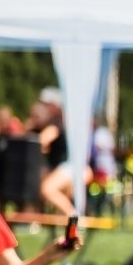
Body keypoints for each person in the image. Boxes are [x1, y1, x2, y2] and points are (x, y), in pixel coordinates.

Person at [30, 88, 76, 218]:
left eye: (46, 104)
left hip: (68, 166)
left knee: (46, 189)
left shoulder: (58, 122)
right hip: (63, 165)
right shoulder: (65, 120)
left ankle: (74, 217)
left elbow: (42, 141)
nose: (43, 107)